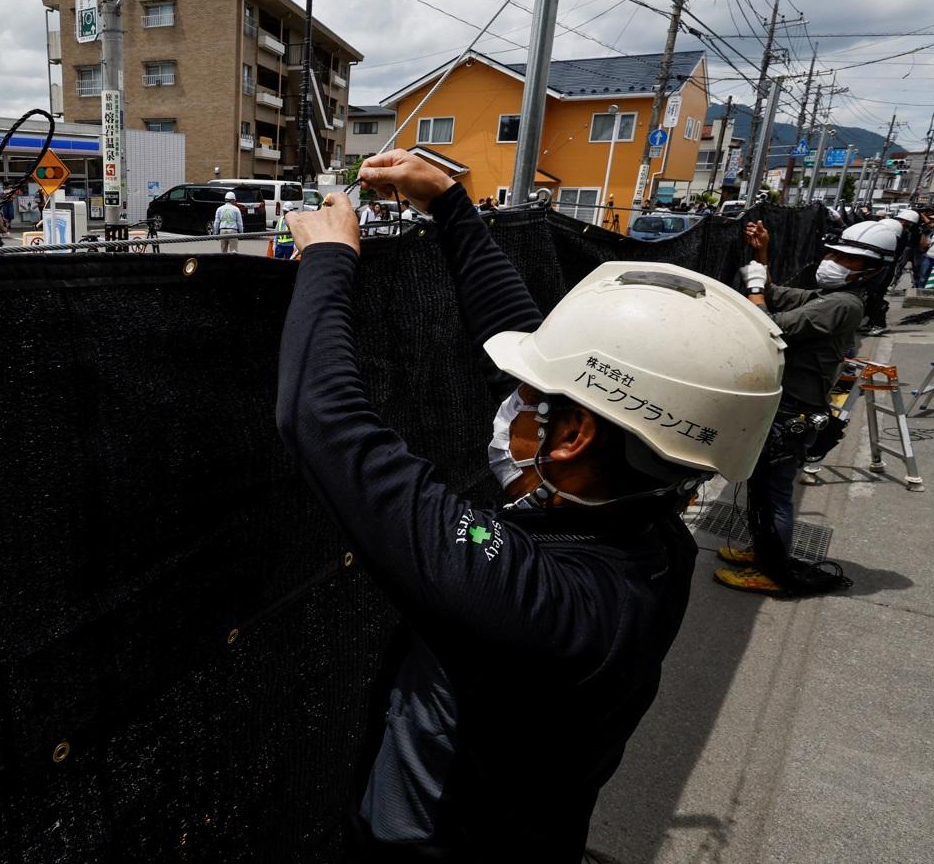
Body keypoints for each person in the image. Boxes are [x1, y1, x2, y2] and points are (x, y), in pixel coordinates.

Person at [278, 148, 785, 860]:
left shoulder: (529, 598)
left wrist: (328, 259)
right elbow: (518, 340)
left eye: (525, 395)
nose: (508, 399)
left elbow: (325, 421)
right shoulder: (653, 540)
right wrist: (448, 203)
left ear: (573, 436)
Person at [715, 219, 898, 596]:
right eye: (833, 254)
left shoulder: (842, 304)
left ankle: (771, 570)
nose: (832, 261)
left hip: (795, 410)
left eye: (846, 259)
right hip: (786, 404)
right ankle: (763, 551)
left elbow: (770, 326)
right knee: (761, 487)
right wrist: (762, 255)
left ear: (870, 271)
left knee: (774, 493)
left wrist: (754, 287)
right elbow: (776, 294)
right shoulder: (827, 296)